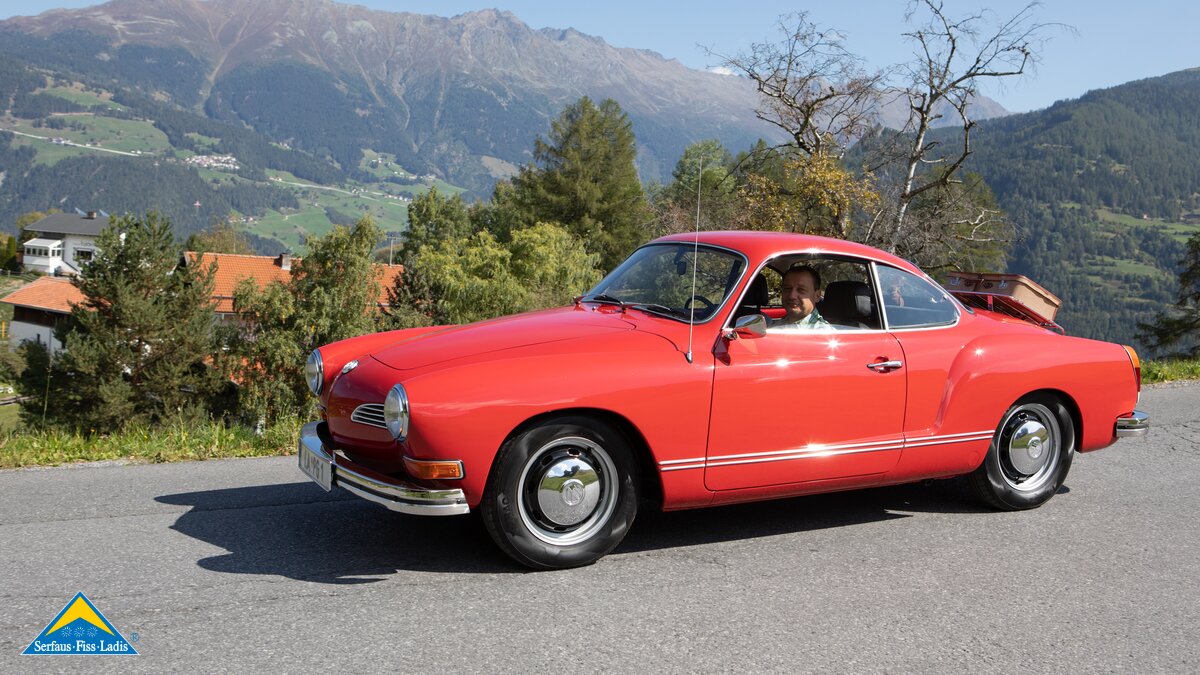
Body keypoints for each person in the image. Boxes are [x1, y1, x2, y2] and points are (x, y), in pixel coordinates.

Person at [771, 264, 830, 329]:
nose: (792, 296)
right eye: (787, 288)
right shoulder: (773, 328)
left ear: (817, 296)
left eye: (801, 290)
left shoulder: (825, 332)